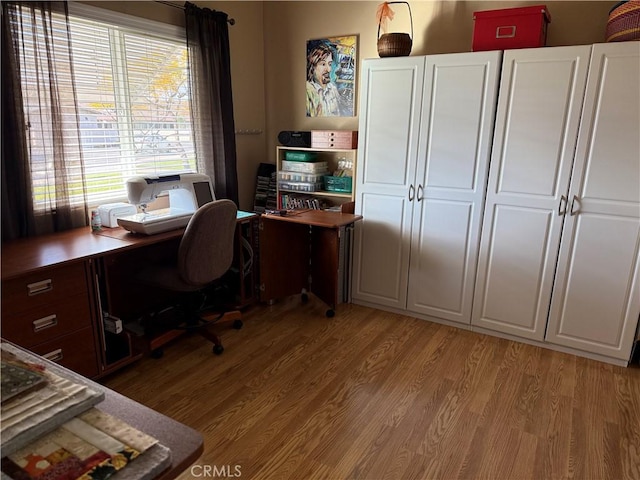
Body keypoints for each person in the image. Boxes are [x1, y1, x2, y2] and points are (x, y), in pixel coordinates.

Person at [306, 41, 340, 117]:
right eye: (323, 64)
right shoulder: (307, 91)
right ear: (312, 66)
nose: (328, 69)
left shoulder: (332, 89)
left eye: (330, 64)